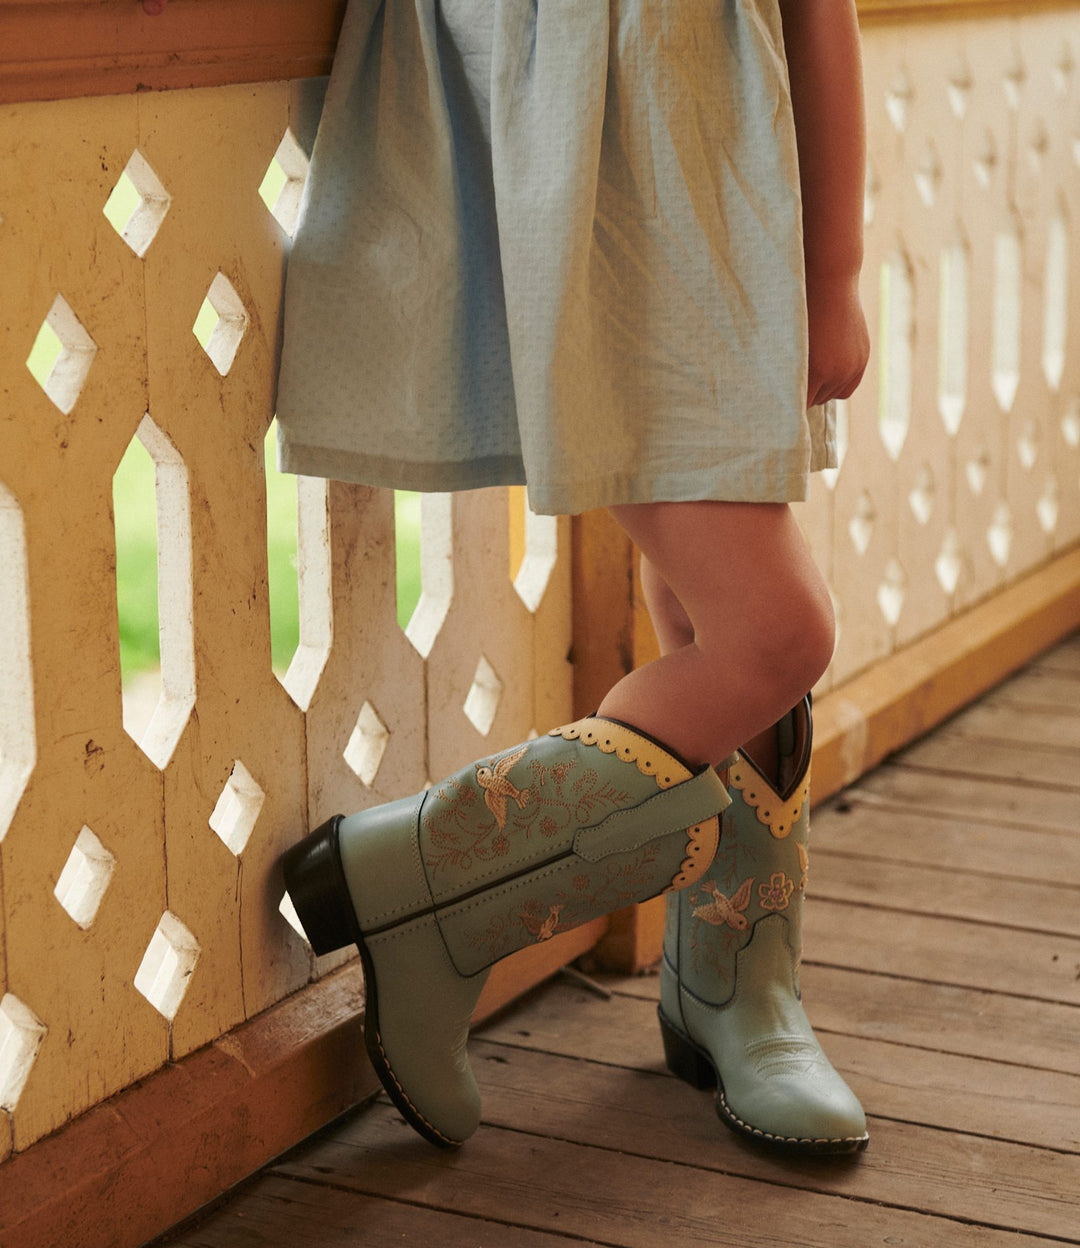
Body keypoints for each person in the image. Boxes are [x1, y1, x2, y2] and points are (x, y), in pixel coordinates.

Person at [152, 0, 870, 1152]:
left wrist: (835, 266)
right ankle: (424, 883)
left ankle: (731, 981)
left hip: (711, 164)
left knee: (718, 614)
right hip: (574, 165)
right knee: (776, 630)